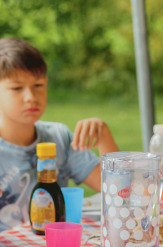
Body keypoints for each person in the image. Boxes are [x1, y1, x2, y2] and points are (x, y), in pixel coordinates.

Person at [0, 37, 119, 231]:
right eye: (16, 88)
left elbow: (117, 193)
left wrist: (103, 136)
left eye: (38, 85)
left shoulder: (59, 137)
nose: (31, 97)